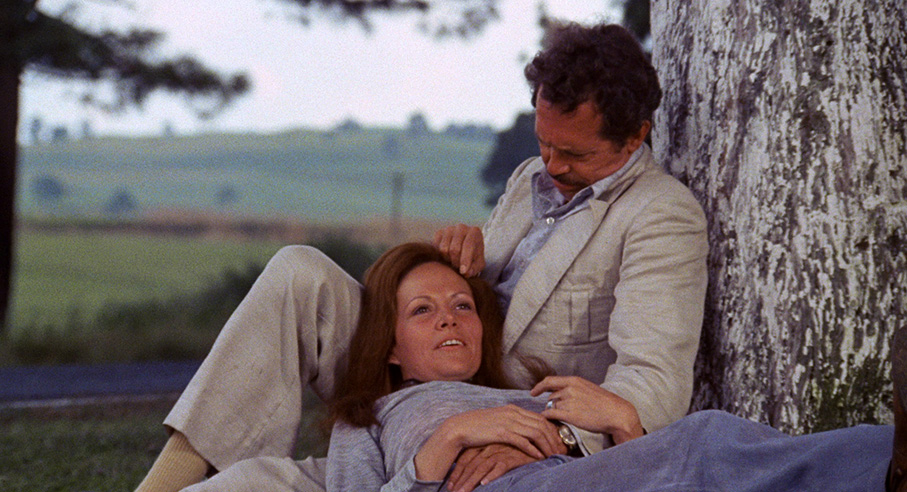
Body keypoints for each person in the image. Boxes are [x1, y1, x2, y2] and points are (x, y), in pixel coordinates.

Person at [136, 22, 707, 492]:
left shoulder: (661, 216)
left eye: (573, 153)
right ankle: (165, 484)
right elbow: (484, 297)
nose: (551, 165)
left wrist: (548, 438)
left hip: (504, 413)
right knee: (298, 273)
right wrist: (468, 259)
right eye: (543, 142)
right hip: (421, 381)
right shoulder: (530, 178)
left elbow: (654, 385)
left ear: (635, 136)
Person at [183, 243, 901, 491]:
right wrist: (447, 442)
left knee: (698, 444)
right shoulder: (371, 416)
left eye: (462, 306)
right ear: (391, 348)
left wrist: (619, 421)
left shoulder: (529, 394)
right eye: (424, 311)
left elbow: (632, 470)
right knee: (702, 443)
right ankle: (882, 462)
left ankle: (887, 454)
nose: (450, 321)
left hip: (570, 480)